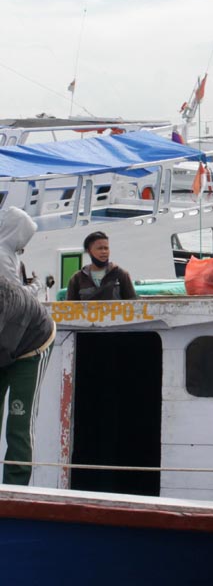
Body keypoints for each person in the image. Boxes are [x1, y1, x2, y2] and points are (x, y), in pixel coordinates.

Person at [0, 276, 56, 485]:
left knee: (19, 419)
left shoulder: (4, 297)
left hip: (32, 346)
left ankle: (16, 488)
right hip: (4, 346)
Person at [66, 232, 136, 300]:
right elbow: (70, 307)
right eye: (100, 248)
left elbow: (133, 304)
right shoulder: (77, 278)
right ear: (89, 251)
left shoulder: (121, 274)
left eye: (106, 248)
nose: (104, 252)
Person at [0, 207, 43, 296]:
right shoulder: (2, 256)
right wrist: (36, 285)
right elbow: (16, 294)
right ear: (18, 233)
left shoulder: (9, 253)